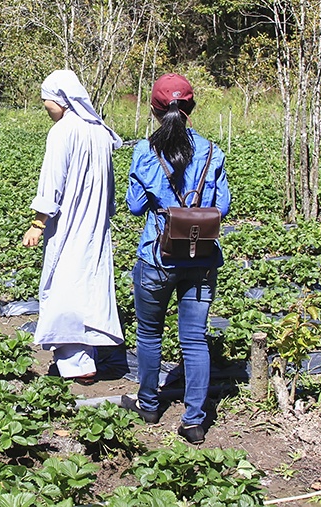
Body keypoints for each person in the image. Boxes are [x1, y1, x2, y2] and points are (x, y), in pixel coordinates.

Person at [122, 73, 230, 445]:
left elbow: (135, 207)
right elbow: (223, 207)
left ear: (154, 109)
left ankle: (149, 404)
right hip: (201, 260)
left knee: (149, 334)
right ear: (191, 108)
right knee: (195, 340)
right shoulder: (211, 152)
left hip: (156, 257)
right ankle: (194, 421)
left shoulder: (144, 151)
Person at [22, 70, 124, 384]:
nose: (45, 107)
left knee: (63, 284)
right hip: (94, 224)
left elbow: (52, 182)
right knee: (87, 284)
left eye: (47, 101)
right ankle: (86, 355)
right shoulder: (99, 131)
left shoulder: (63, 131)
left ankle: (78, 365)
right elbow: (110, 186)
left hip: (67, 223)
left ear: (62, 100)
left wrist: (38, 223)